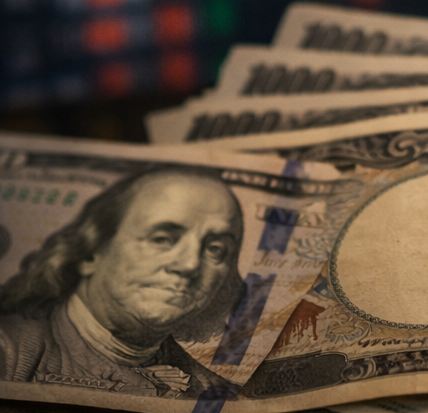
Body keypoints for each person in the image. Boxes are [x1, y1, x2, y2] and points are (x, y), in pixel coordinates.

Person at [0, 168, 245, 399]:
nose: (190, 264)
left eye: (216, 249)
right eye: (162, 239)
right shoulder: (10, 351)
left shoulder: (213, 393)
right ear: (90, 252)